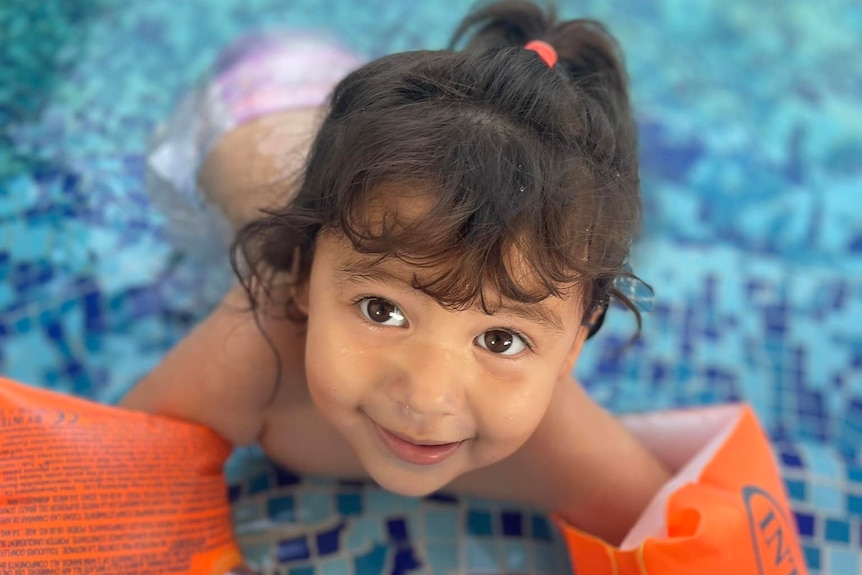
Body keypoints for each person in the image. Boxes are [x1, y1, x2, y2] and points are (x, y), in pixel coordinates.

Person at [123, 0, 671, 547]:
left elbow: (683, 537)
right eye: (380, 309)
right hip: (253, 97)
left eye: (501, 339)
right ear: (305, 274)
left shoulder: (561, 445)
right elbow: (109, 469)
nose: (426, 398)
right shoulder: (253, 351)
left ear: (575, 342)